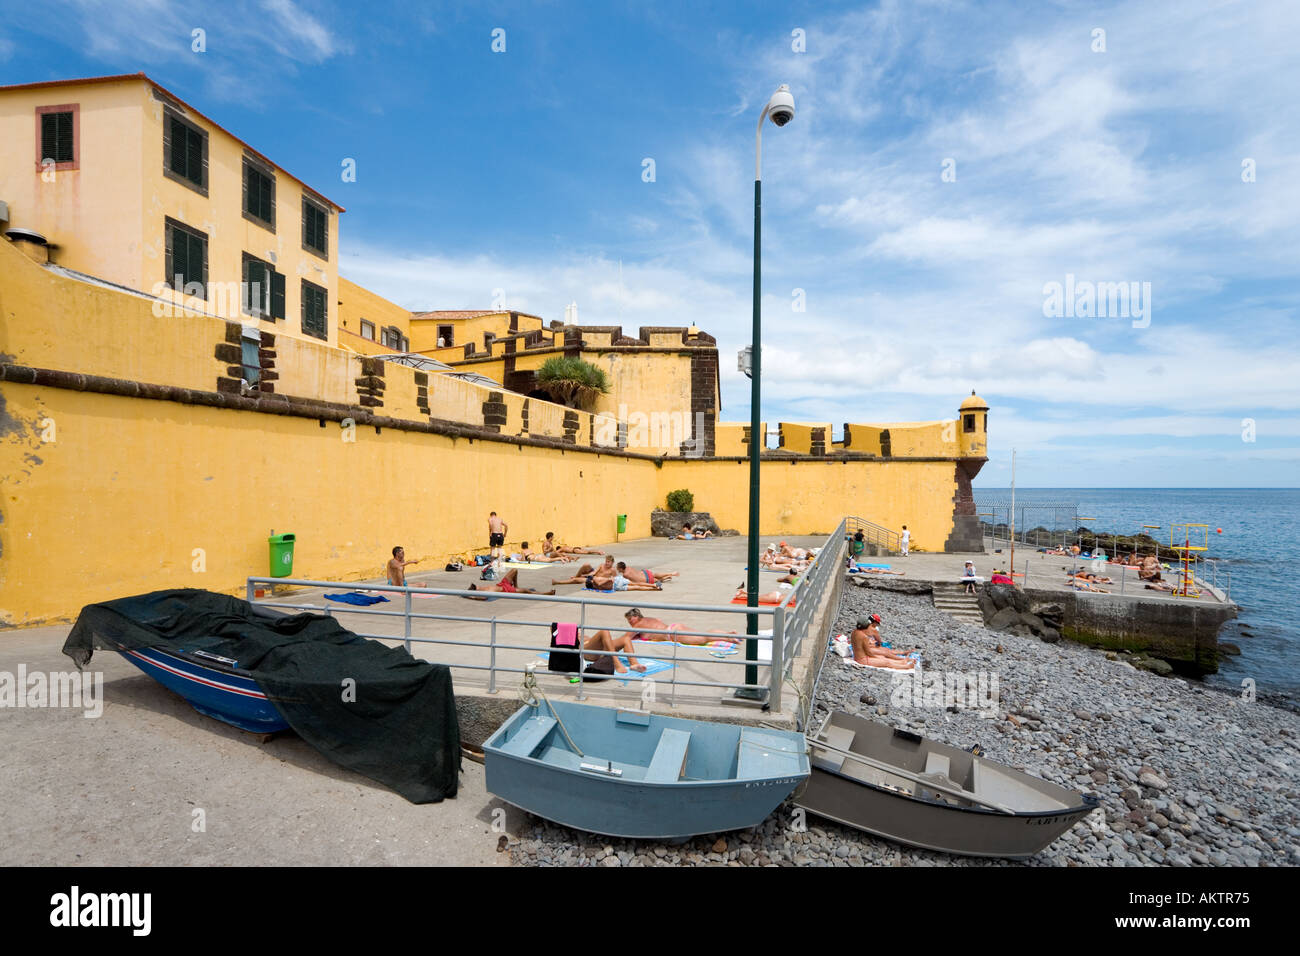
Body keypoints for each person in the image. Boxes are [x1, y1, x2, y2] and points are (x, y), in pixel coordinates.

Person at [621, 608, 735, 646]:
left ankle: (728, 638)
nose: (630, 622)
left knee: (703, 639)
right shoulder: (649, 619)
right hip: (674, 627)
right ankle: (727, 634)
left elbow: (626, 638)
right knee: (702, 634)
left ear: (636, 616)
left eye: (630, 619)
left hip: (672, 634)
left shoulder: (638, 625)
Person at [849, 615, 916, 669]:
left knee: (883, 658)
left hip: (858, 657)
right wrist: (876, 657)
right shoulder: (864, 636)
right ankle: (906, 666)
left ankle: (903, 661)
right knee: (886, 662)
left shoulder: (854, 632)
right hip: (863, 660)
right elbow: (868, 652)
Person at [581, 629, 646, 674]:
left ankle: (634, 663)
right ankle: (616, 663)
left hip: (599, 647)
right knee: (604, 631)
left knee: (626, 639)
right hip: (587, 650)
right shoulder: (575, 633)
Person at [465, 569, 555, 599]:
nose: (475, 586)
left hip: (501, 584)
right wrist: (472, 597)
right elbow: (483, 598)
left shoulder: (479, 587)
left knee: (514, 570)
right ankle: (546, 593)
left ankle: (516, 586)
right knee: (526, 591)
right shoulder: (483, 593)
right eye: (474, 587)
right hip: (506, 590)